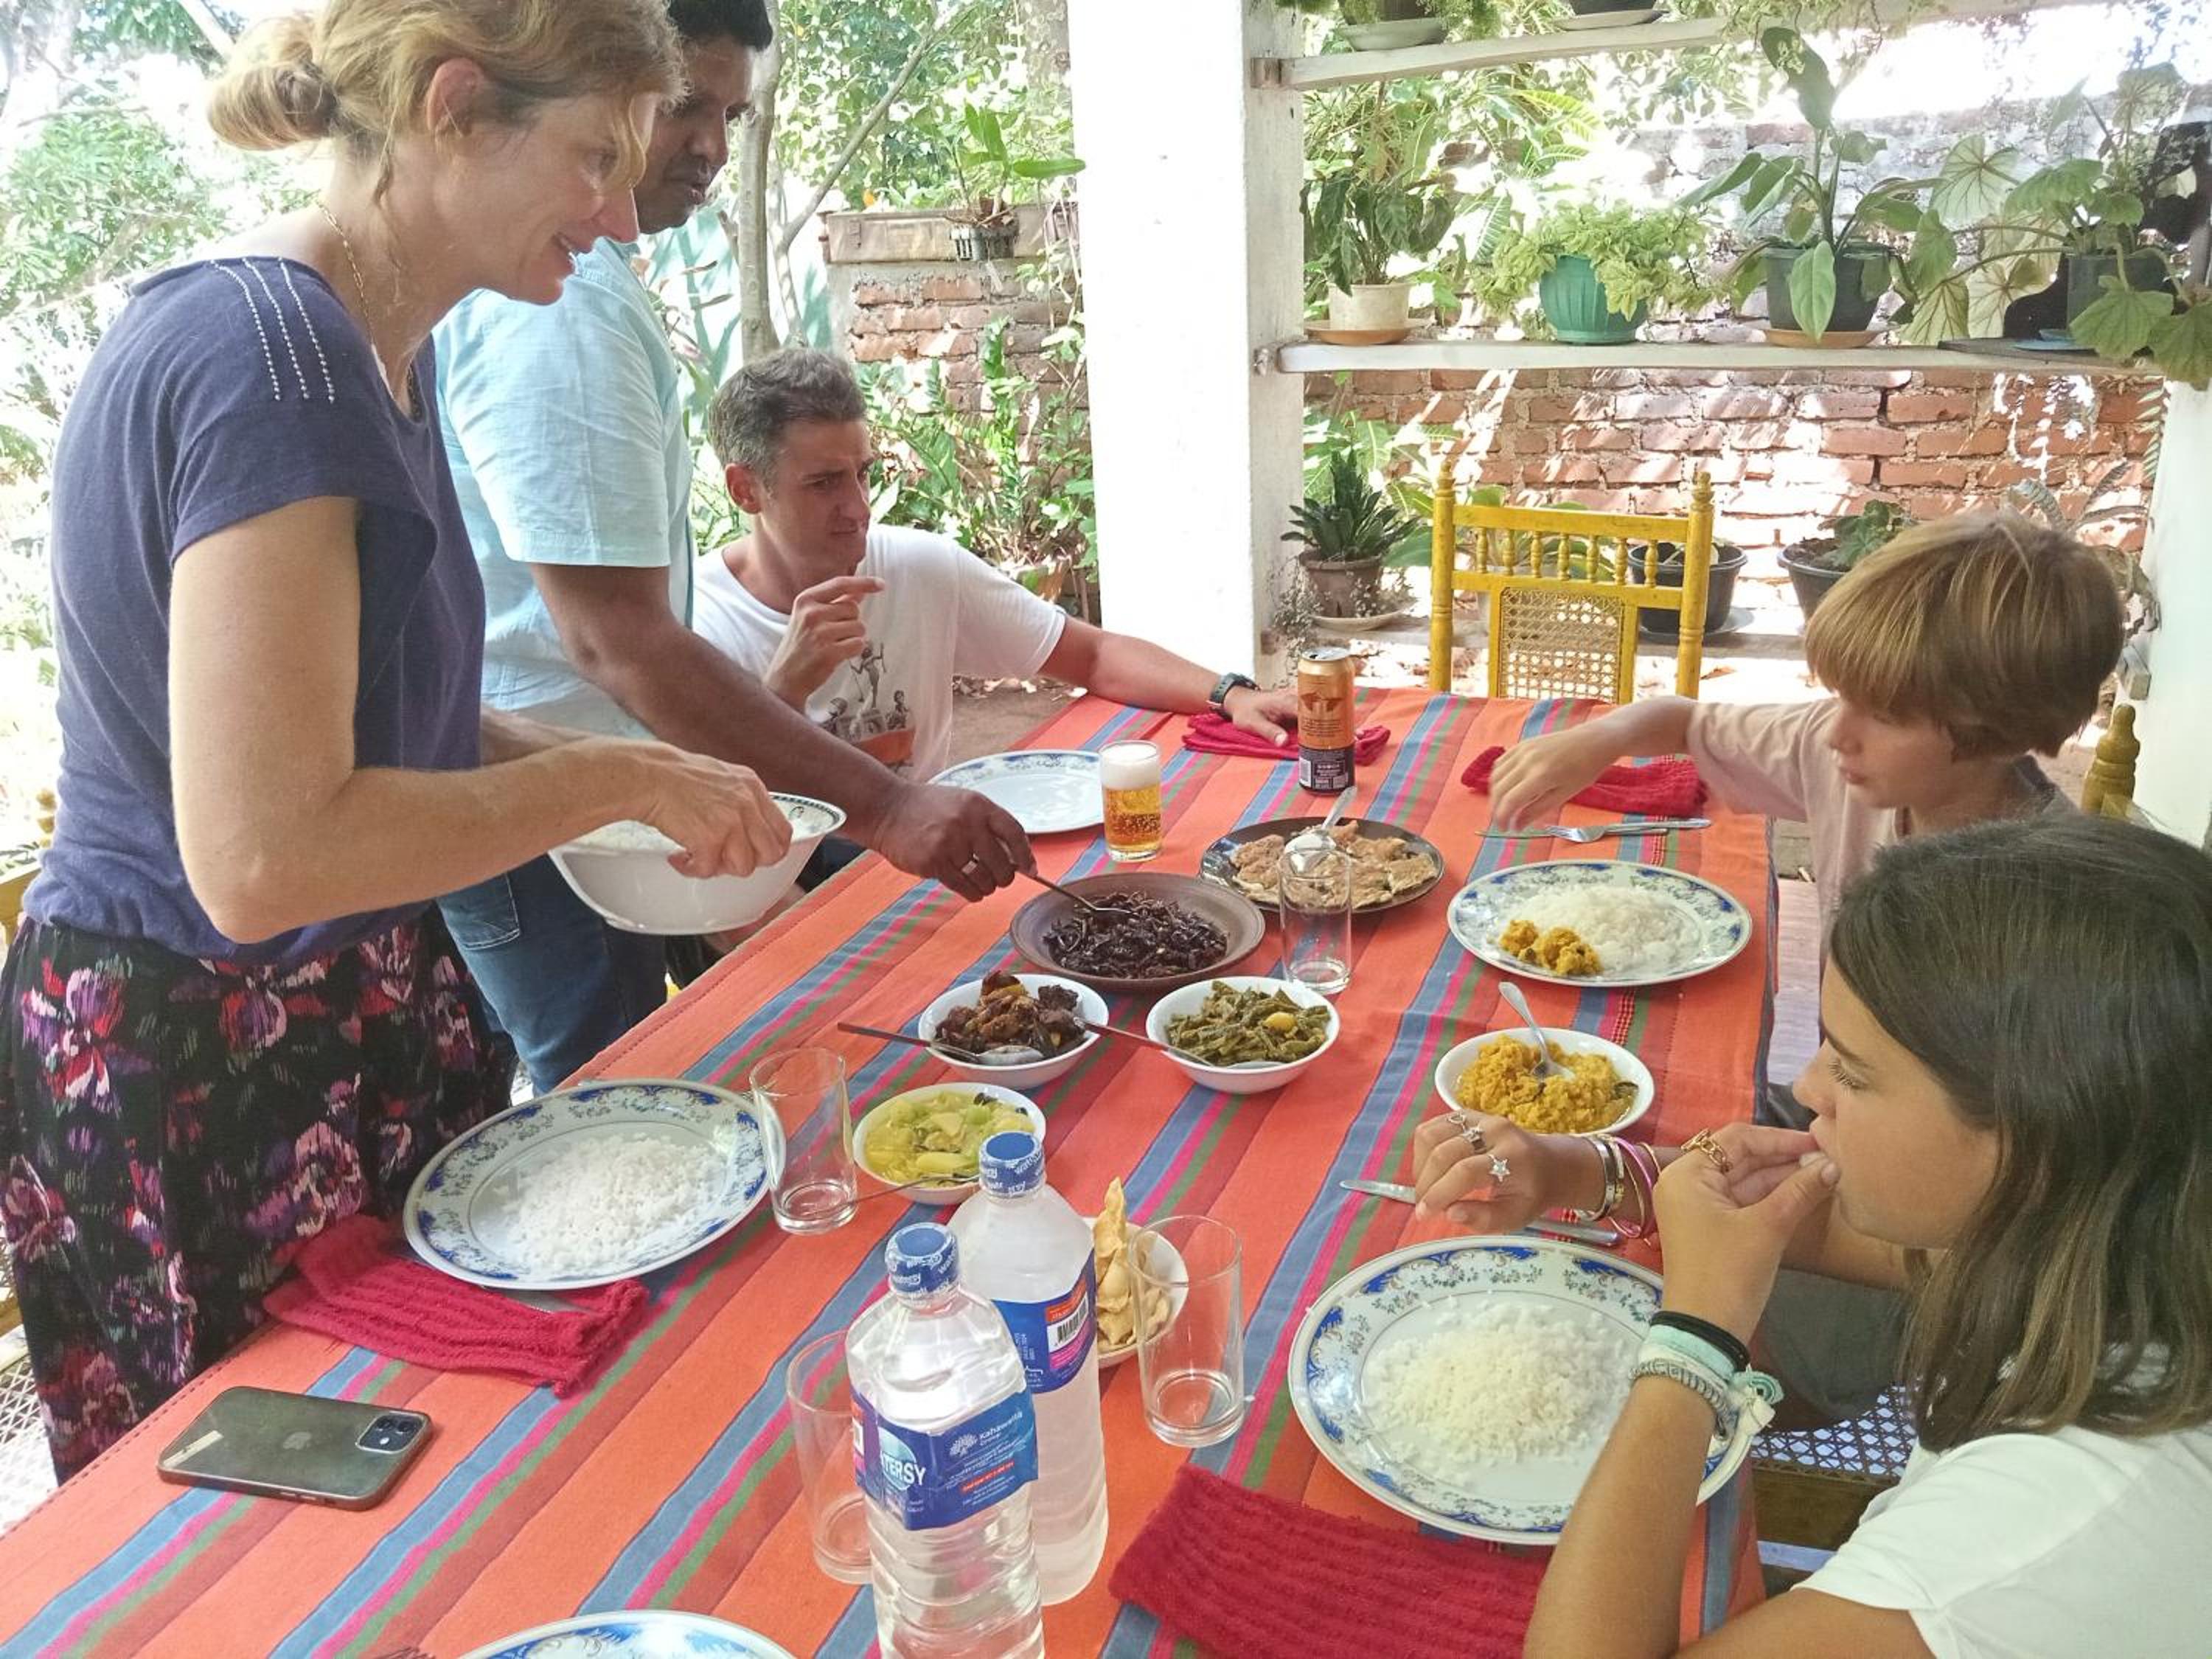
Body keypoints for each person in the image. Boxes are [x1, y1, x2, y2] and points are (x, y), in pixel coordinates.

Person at [0, 0, 790, 1479]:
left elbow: (384, 713)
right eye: (593, 157)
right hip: (203, 1054)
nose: (622, 215)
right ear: (453, 105)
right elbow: (264, 855)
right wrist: (612, 774)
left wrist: (633, 775)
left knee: (431, 1480)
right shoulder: (274, 363)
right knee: (269, 1537)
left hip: (335, 1012)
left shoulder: (369, 350)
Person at [1413, 815, 2212, 1656]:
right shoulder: (2129, 1227)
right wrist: (1594, 1173)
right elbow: (1877, 1238)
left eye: (1853, 1074)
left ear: (2034, 1142)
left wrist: (1695, 1339)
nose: (1805, 1085)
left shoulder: (2033, 1543)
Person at [433, 5, 1031, 1093]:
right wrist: (890, 806)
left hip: (601, 788)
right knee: (605, 1089)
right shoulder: (561, 309)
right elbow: (617, 642)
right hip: (542, 810)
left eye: (732, 116)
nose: (710, 146)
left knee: (671, 1054)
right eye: (682, 107)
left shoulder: (586, 284)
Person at [1486, 514, 2124, 947]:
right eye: (1842, 696)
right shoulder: (1848, 754)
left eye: (1885, 713)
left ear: (2002, 730)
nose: (1837, 732)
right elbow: (1684, 720)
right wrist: (1605, 738)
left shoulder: (2053, 915)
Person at [691, 347, 1300, 786]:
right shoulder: (692, 626)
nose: (859, 508)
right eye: (824, 483)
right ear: (746, 490)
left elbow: (1091, 656)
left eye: (864, 474)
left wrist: (1231, 695)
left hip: (911, 865)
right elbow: (704, 835)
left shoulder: (918, 568)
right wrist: (783, 692)